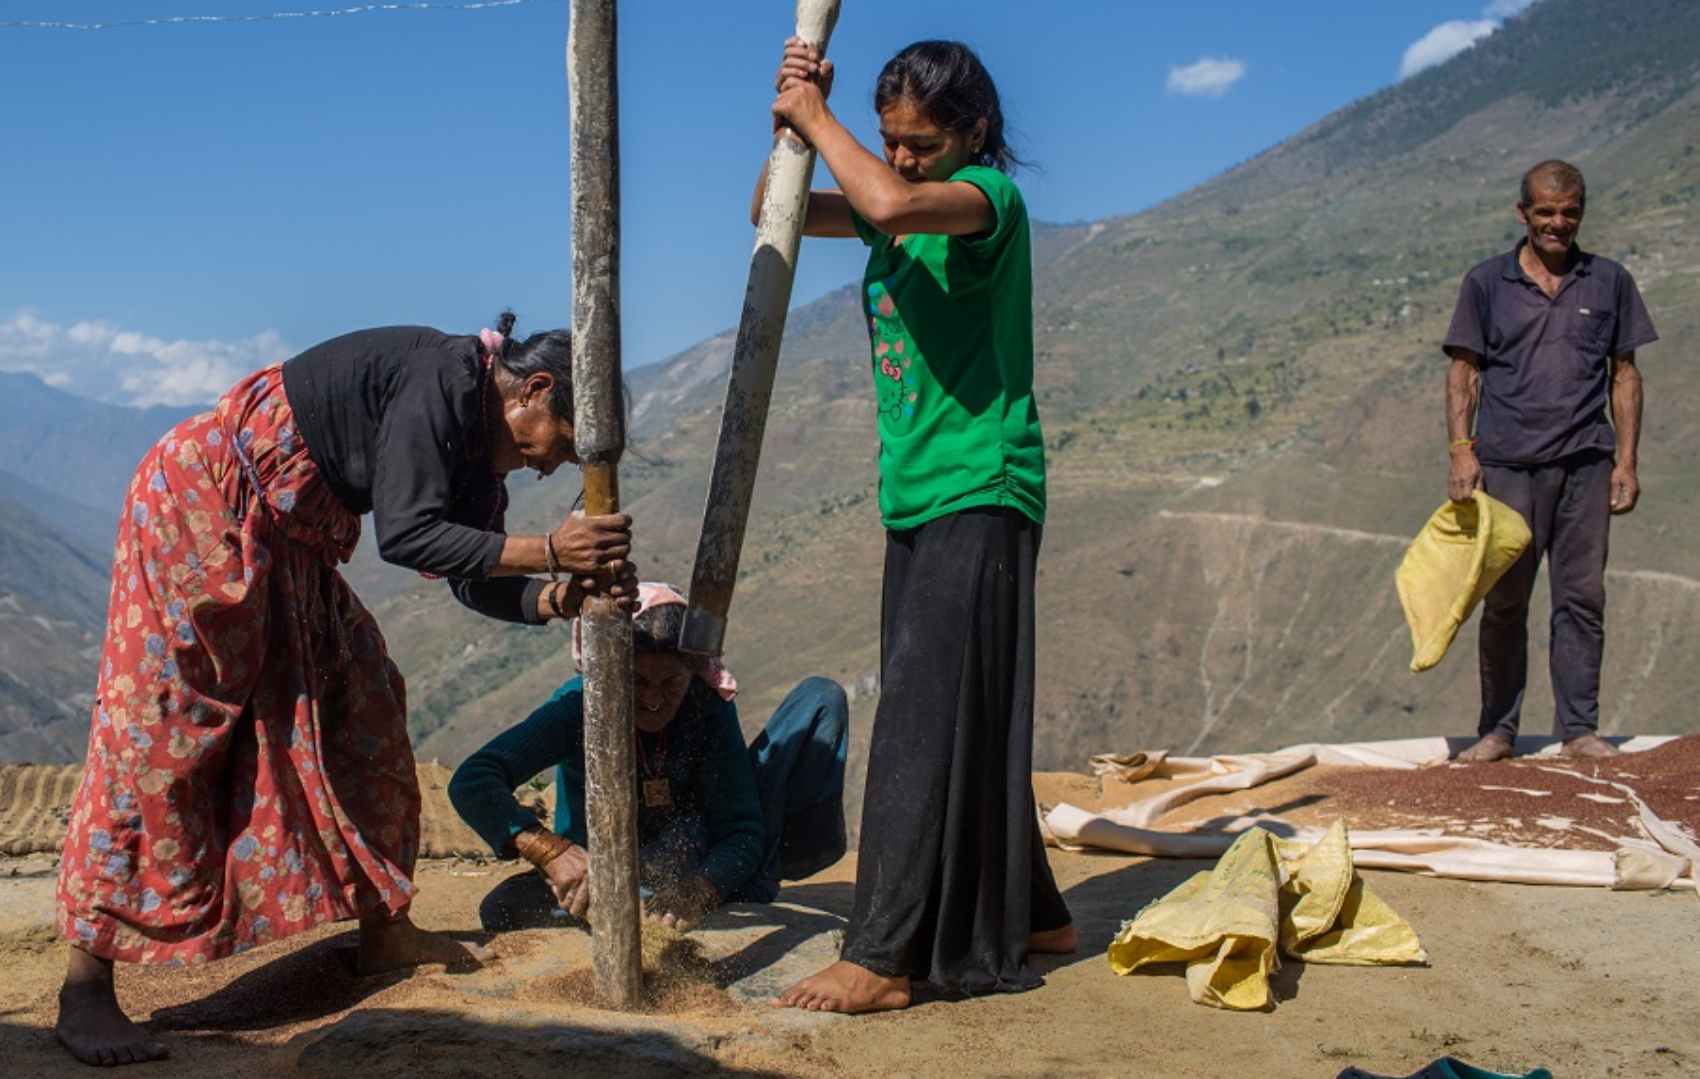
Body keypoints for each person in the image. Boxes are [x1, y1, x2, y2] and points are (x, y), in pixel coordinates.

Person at [54, 317, 637, 1066]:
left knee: (363, 699)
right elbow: (407, 534)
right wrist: (551, 549)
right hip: (203, 508)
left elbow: (471, 573)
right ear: (535, 389)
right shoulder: (444, 378)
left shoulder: (478, 458)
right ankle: (86, 985)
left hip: (293, 538)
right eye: (563, 444)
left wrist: (559, 595)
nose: (552, 469)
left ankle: (385, 931)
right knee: (165, 733)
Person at [760, 39, 1076, 1015]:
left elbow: (890, 204)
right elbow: (772, 211)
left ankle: (882, 953)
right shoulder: (894, 195)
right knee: (959, 705)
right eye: (889, 141)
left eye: (920, 144)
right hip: (916, 491)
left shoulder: (984, 199)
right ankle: (1034, 911)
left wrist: (822, 120)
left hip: (980, 484)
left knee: (916, 721)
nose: (899, 160)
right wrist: (790, 125)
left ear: (973, 132)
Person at [448, 582, 849, 933]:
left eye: (671, 683)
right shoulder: (578, 708)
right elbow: (474, 779)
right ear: (609, 670)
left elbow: (740, 829)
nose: (655, 700)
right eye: (636, 682)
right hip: (602, 870)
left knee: (820, 698)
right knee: (503, 907)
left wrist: (701, 887)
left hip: (696, 853)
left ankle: (721, 888)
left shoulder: (706, 706)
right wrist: (551, 851)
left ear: (693, 674)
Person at [1444, 160, 1655, 763]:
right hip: (1507, 466)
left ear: (1581, 213)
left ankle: (1580, 730)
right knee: (1505, 601)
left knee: (1582, 598)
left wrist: (1627, 461)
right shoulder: (1486, 283)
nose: (1557, 223)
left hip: (1587, 464)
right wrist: (1461, 451)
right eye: (1545, 212)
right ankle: (1497, 732)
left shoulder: (1609, 281)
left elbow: (1625, 374)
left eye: (1569, 212)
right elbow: (1464, 373)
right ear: (1523, 214)